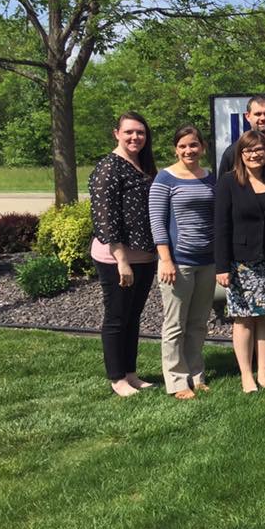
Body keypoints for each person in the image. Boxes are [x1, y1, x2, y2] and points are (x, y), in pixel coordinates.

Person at [88, 111, 158, 397]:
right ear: (116, 133)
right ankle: (116, 378)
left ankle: (131, 373)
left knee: (133, 316)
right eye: (129, 132)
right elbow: (105, 218)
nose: (135, 137)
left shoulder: (142, 165)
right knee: (117, 317)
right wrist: (121, 260)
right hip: (116, 258)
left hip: (144, 256)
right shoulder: (108, 167)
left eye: (140, 133)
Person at [148, 125, 217, 400]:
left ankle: (196, 374)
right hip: (178, 262)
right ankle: (177, 380)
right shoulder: (165, 179)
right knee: (175, 323)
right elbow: (157, 222)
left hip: (208, 261)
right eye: (183, 146)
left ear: (202, 147)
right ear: (175, 149)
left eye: (193, 145)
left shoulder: (210, 177)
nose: (189, 150)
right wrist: (165, 259)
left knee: (199, 322)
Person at [214, 130, 265, 393]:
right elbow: (220, 226)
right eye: (248, 150)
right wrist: (221, 266)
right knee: (243, 320)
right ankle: (246, 374)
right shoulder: (228, 183)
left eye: (259, 150)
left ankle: (263, 373)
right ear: (240, 155)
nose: (254, 155)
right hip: (240, 263)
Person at [218, 95, 265, 179]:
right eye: (258, 114)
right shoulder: (233, 152)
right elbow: (223, 187)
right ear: (248, 116)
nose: (263, 118)